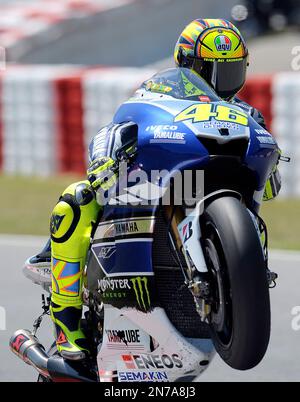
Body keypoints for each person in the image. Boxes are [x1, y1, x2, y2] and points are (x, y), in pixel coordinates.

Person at [24, 18, 281, 361]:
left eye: (232, 70)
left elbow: (269, 186)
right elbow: (117, 125)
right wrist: (105, 161)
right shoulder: (159, 93)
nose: (222, 81)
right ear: (188, 65)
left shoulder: (245, 113)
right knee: (76, 200)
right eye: (212, 70)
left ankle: (241, 286)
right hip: (147, 184)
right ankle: (68, 325)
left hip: (214, 188)